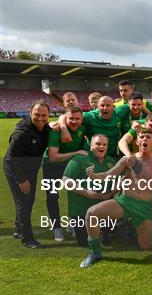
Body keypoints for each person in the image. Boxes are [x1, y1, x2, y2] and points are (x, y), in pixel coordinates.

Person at [81, 128, 152, 267]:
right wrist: (94, 176)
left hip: (144, 207)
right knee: (91, 213)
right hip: (124, 202)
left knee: (146, 246)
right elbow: (109, 174)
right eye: (142, 137)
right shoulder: (128, 159)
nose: (145, 139)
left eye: (148, 137)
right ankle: (94, 252)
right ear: (137, 141)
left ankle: (128, 228)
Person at [4, 100, 51, 248]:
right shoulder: (20, 134)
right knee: (24, 204)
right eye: (37, 114)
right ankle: (27, 238)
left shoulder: (45, 128)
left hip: (30, 170)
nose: (40, 118)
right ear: (30, 112)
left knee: (27, 201)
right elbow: (10, 160)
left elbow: (54, 128)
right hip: (16, 171)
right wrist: (21, 179)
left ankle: (19, 229)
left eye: (44, 115)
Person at [62, 134, 116, 246]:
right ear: (91, 145)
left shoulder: (111, 161)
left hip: (103, 209)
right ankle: (75, 226)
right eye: (98, 144)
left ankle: (106, 231)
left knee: (104, 240)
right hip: (81, 210)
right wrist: (87, 193)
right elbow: (65, 180)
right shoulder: (79, 159)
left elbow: (119, 182)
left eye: (104, 144)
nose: (101, 146)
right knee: (84, 243)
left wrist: (110, 193)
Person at [43, 106, 87, 241]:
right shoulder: (56, 130)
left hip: (71, 164)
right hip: (52, 166)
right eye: (71, 118)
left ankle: (72, 224)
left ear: (82, 119)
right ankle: (57, 228)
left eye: (77, 119)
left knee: (76, 194)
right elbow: (53, 157)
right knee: (52, 196)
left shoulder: (84, 127)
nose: (74, 121)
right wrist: (76, 153)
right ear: (65, 119)